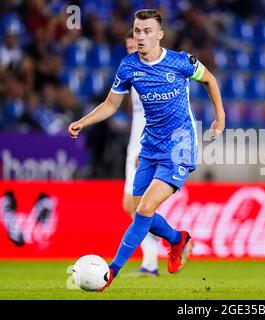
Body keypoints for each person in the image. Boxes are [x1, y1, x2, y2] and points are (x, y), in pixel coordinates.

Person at [68, 9, 225, 291]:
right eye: (137, 31)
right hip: (150, 146)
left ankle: (112, 271)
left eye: (147, 31)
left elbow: (210, 80)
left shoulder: (181, 62)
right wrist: (83, 121)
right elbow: (110, 105)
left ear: (160, 35)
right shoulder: (128, 66)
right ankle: (178, 239)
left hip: (179, 147)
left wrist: (220, 117)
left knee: (145, 208)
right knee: (137, 210)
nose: (141, 36)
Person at [122, 29, 159, 277]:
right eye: (128, 50)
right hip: (134, 144)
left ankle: (153, 260)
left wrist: (146, 148)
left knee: (138, 205)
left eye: (134, 48)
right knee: (132, 206)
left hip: (145, 146)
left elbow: (156, 116)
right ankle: (153, 259)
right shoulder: (130, 74)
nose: (132, 53)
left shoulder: (153, 75)